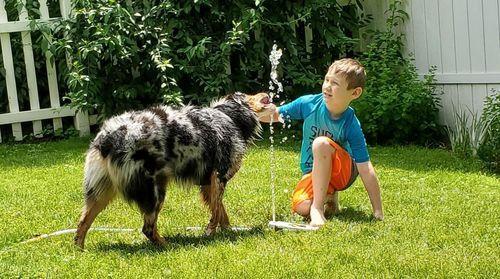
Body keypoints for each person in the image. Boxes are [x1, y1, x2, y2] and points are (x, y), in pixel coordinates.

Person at [262, 58, 383, 226]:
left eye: (335, 83)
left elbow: (364, 166)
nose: (327, 86)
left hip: (343, 172)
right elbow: (275, 115)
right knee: (301, 207)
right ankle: (328, 199)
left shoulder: (350, 123)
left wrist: (378, 210)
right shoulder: (309, 104)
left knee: (320, 144)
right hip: (313, 171)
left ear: (354, 93)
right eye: (327, 79)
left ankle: (317, 209)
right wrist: (249, 114)